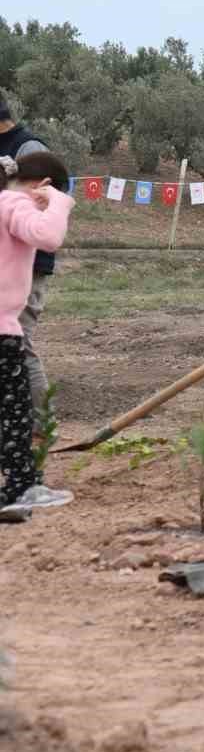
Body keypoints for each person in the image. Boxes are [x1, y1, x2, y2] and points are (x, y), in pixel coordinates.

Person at [0, 152, 75, 512]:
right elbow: (48, 237)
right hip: (2, 331)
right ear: (42, 186)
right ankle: (21, 489)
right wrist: (59, 203)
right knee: (14, 414)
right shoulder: (16, 204)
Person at [0, 96, 58, 434]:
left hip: (29, 262)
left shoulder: (28, 147)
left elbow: (42, 205)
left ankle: (40, 426)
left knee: (18, 342)